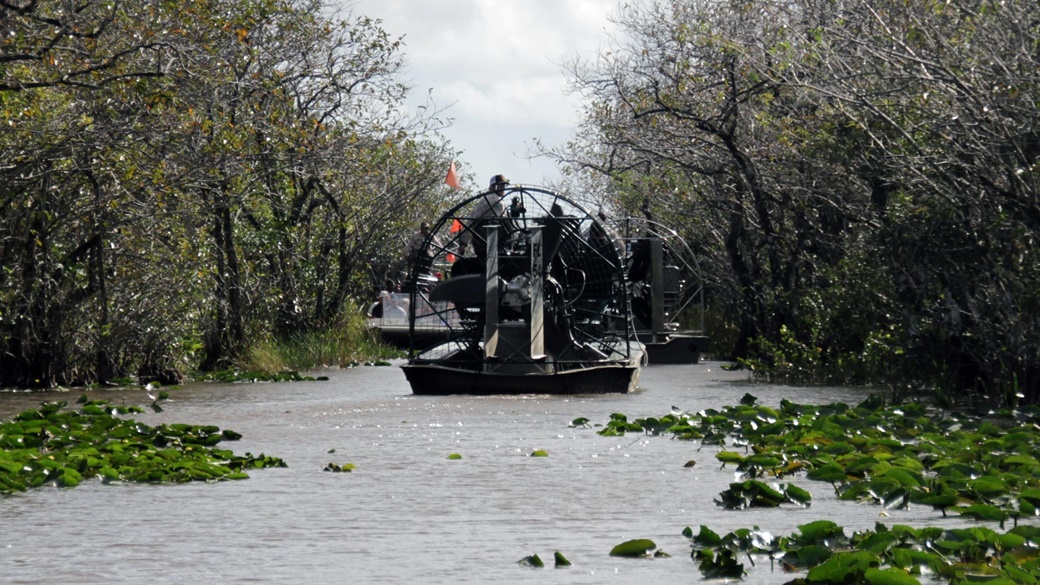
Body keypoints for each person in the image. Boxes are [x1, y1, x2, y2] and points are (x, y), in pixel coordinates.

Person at [458, 174, 512, 259]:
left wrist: (464, 243)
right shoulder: (492, 199)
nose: (504, 188)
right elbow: (472, 220)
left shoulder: (495, 200)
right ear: (494, 186)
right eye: (501, 185)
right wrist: (464, 243)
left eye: (504, 185)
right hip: (488, 243)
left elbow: (471, 221)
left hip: (484, 244)